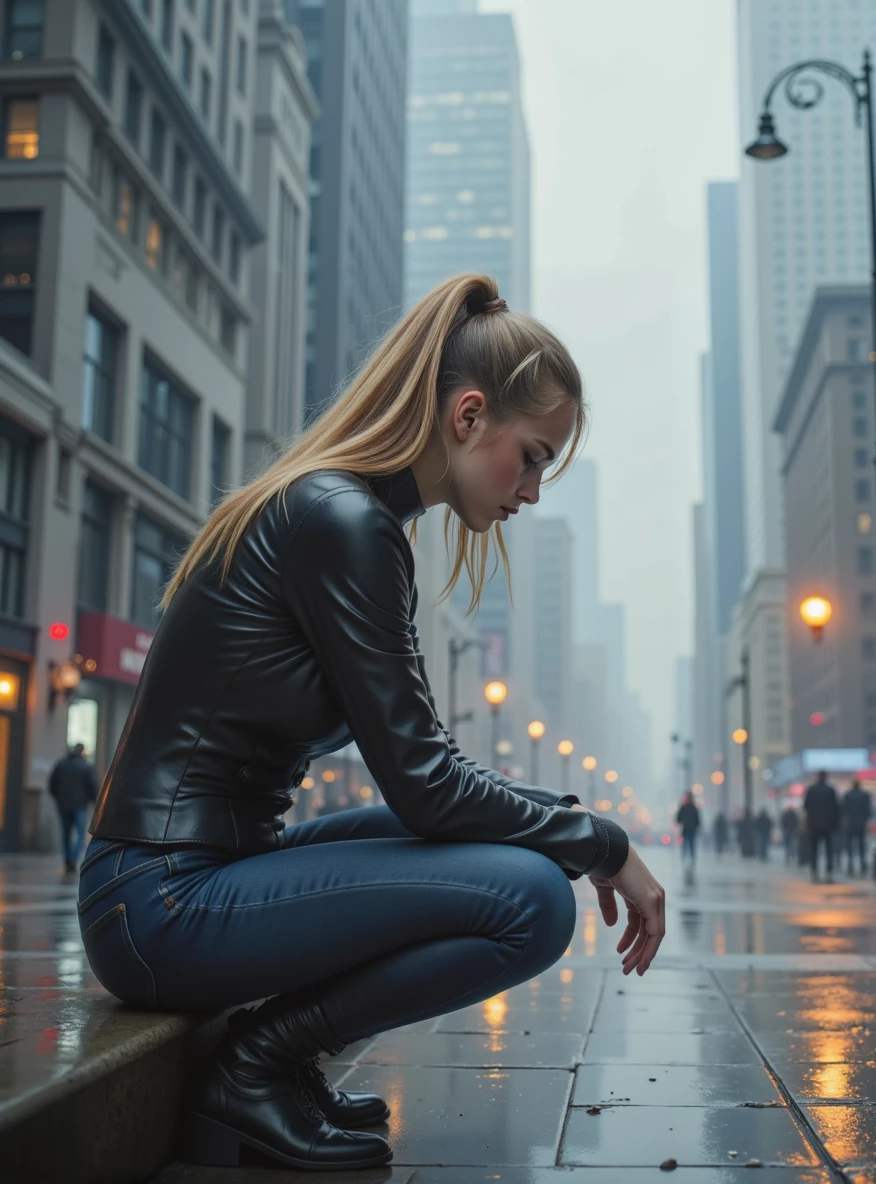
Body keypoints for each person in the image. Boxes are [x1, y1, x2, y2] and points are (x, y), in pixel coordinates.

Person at [77, 274, 666, 1174]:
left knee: (528, 861)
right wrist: (600, 841)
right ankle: (260, 1063)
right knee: (534, 901)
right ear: (468, 416)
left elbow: (426, 772)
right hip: (159, 904)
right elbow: (426, 786)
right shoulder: (342, 519)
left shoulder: (354, 511)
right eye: (535, 456)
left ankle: (272, 1061)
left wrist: (569, 822)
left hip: (197, 880)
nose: (534, 492)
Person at [48, 742, 98, 876]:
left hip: (63, 805)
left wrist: (59, 798)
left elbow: (52, 785)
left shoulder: (61, 765)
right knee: (80, 835)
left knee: (65, 835)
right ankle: (73, 859)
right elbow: (93, 788)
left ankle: (67, 860)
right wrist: (95, 803)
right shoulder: (86, 767)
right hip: (80, 806)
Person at [803, 770, 840, 881]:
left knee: (814, 849)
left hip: (814, 825)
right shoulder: (830, 791)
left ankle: (814, 871)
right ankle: (829, 870)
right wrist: (835, 824)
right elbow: (836, 809)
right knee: (829, 849)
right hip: (828, 826)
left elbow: (806, 806)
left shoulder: (812, 790)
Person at [841, 779, 872, 877]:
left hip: (850, 823)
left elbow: (843, 810)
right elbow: (868, 810)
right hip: (861, 823)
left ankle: (850, 865)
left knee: (850, 845)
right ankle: (863, 864)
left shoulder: (848, 796)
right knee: (862, 844)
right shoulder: (865, 795)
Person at [675, 792, 701, 869]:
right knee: (690, 844)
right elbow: (697, 819)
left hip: (687, 828)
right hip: (691, 829)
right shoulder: (693, 807)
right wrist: (697, 826)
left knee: (686, 844)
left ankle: (685, 857)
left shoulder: (684, 807)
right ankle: (691, 858)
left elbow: (678, 818)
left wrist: (679, 821)